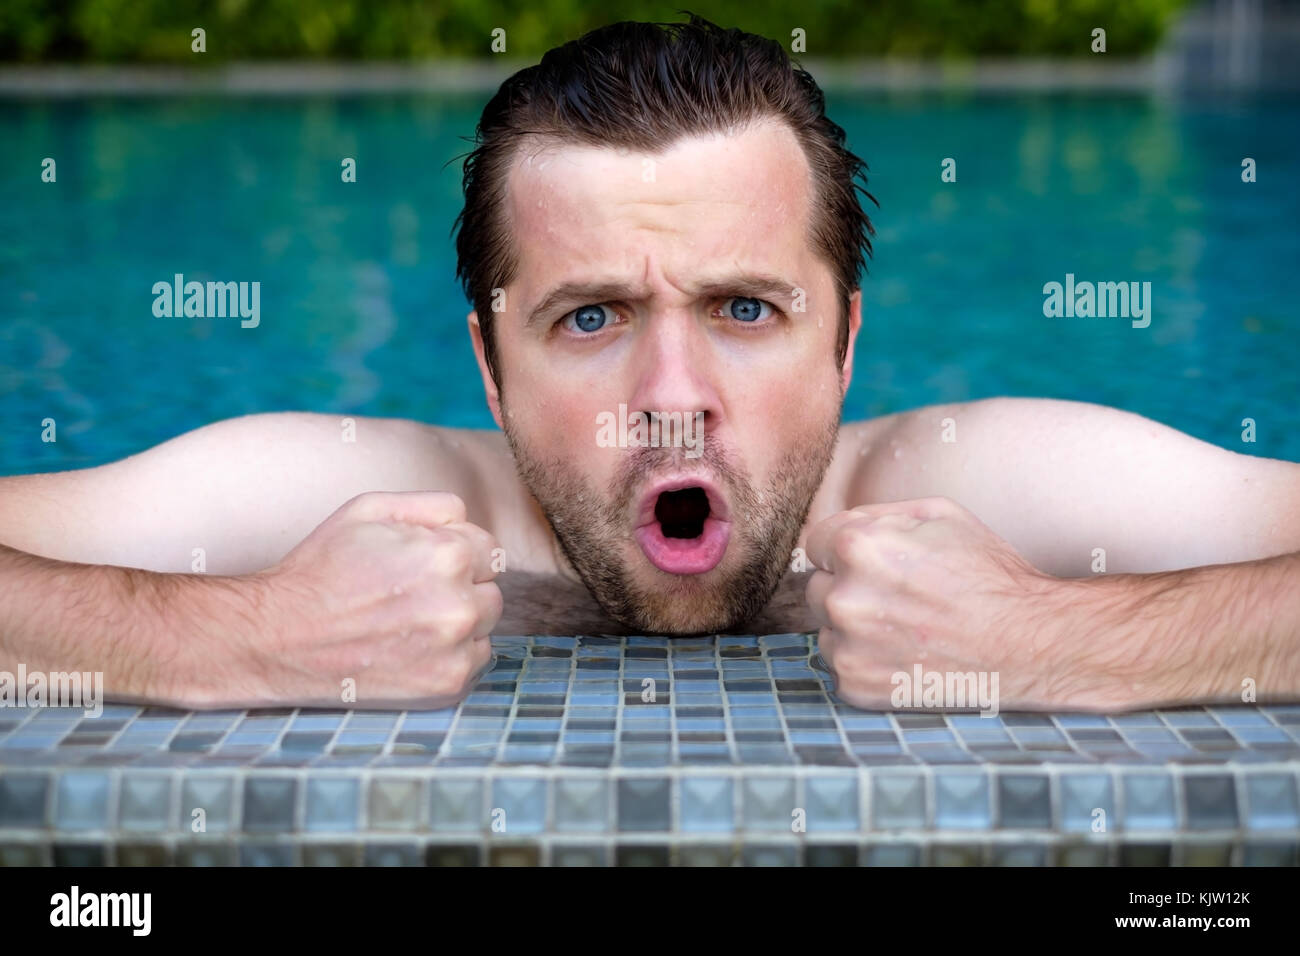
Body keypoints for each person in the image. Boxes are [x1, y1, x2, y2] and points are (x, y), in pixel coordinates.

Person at [2, 16, 1297, 713]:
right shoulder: (345, 499)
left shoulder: (997, 486)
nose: (672, 402)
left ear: (846, 343)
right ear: (490, 368)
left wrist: (1070, 642)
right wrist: (238, 638)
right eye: (590, 319)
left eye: (743, 309)